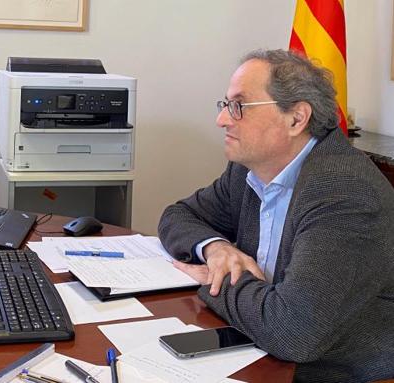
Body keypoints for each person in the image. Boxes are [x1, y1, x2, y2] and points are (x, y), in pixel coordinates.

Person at [158, 49, 394, 382]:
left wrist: (218, 277)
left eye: (239, 106)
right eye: (226, 105)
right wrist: (216, 249)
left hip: (331, 372)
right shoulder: (248, 170)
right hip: (256, 348)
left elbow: (292, 331)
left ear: (296, 119)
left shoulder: (345, 195)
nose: (223, 119)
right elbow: (178, 215)